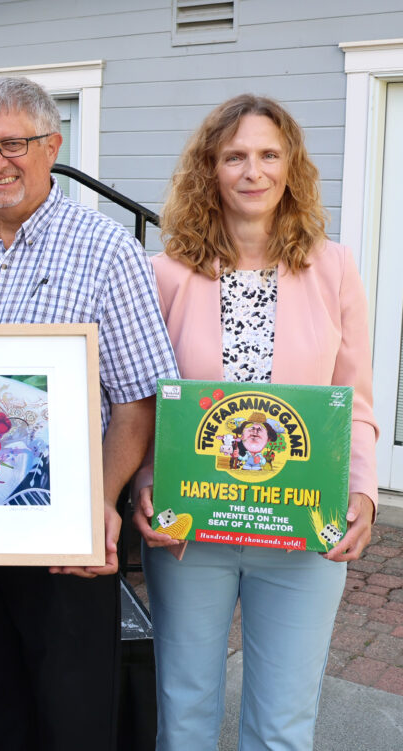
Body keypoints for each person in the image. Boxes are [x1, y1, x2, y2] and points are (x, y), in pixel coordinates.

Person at [0, 76, 179, 750]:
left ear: (52, 146)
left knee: (72, 714)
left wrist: (97, 505)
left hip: (62, 535)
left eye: (14, 143)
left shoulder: (106, 248)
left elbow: (139, 397)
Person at [132, 94, 377, 750]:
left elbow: (352, 400)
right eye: (234, 155)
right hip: (192, 526)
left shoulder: (334, 269)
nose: (253, 171)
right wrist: (142, 482)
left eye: (269, 154)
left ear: (291, 167)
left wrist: (363, 492)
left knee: (283, 723)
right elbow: (145, 402)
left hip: (303, 524)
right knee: (184, 712)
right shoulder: (165, 274)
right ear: (208, 169)